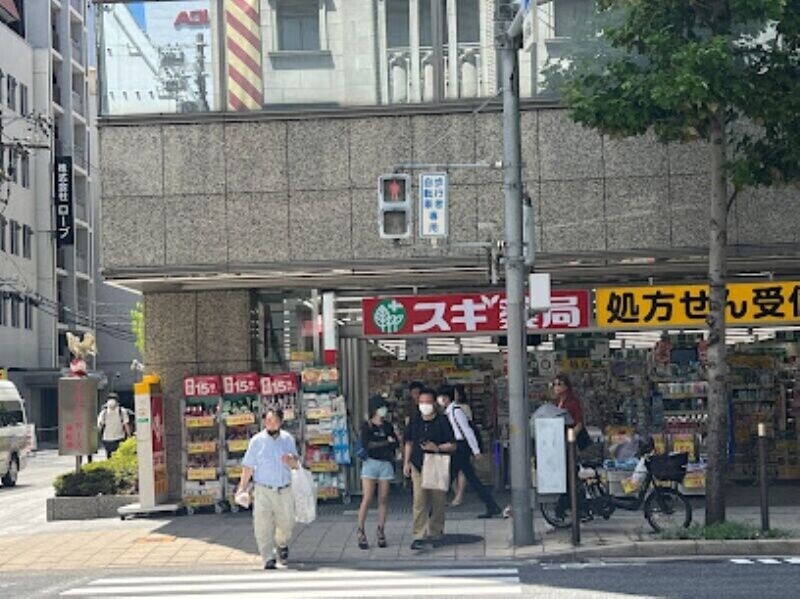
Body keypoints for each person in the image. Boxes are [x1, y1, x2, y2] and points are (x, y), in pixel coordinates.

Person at [238, 408, 300, 570]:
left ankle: (281, 543)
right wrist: (242, 488)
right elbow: (248, 466)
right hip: (262, 489)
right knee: (262, 524)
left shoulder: (287, 439)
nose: (271, 424)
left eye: (274, 421)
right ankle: (267, 557)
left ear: (281, 422)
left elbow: (296, 464)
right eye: (268, 421)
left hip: (284, 489)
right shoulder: (256, 441)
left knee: (287, 523)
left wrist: (291, 460)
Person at [437, 385, 502, 519]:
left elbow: (467, 431)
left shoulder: (456, 411)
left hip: (460, 448)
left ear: (446, 398)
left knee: (449, 477)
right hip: (458, 447)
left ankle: (432, 506)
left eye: (441, 397)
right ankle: (491, 504)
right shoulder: (449, 412)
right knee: (469, 478)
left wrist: (476, 451)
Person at [403, 387, 456, 550]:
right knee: (419, 500)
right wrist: (406, 462)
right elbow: (409, 442)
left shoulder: (442, 421)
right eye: (421, 402)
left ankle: (435, 531)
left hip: (437, 463)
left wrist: (437, 447)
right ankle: (418, 535)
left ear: (434, 403)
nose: (424, 405)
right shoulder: (415, 420)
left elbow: (453, 444)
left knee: (438, 500)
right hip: (418, 463)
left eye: (427, 402)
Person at [356, 395, 399, 550]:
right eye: (381, 407)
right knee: (367, 498)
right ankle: (360, 530)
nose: (384, 410)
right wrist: (386, 442)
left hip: (385, 463)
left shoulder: (387, 426)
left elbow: (396, 443)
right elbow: (367, 445)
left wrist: (389, 443)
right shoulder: (366, 426)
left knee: (383, 498)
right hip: (370, 463)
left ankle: (381, 530)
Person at [553, 373, 589, 448]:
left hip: (573, 440)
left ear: (566, 387)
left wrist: (570, 438)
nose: (556, 387)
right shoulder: (556, 402)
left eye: (559, 384)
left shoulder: (573, 402)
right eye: (554, 384)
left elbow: (579, 423)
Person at [450, 384, 472, 506]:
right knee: (453, 469)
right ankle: (457, 494)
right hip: (452, 441)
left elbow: (468, 426)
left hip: (461, 441)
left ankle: (459, 495)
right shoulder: (447, 408)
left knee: (461, 469)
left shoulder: (463, 408)